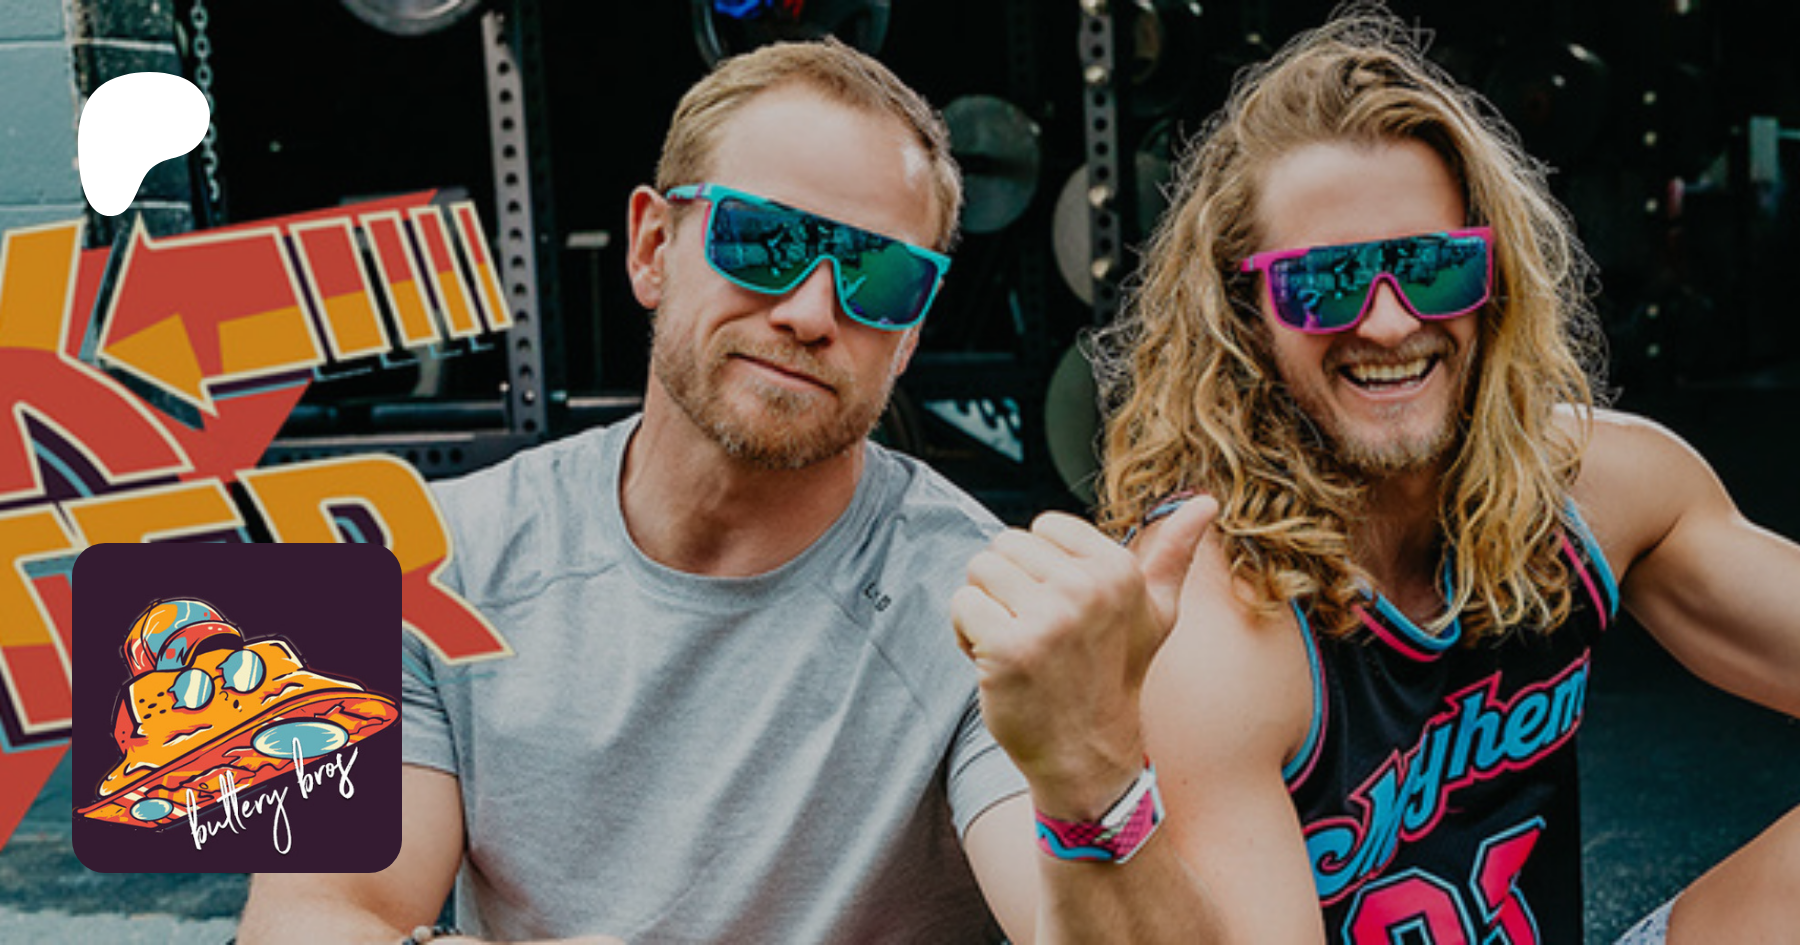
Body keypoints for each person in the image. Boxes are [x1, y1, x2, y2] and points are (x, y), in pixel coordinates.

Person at [237, 38, 1216, 945]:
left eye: (880, 277)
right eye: (762, 240)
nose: (811, 311)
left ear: (911, 334)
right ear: (652, 247)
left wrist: (1094, 774)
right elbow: (306, 914)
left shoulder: (976, 611)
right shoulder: (409, 557)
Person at [1068, 9, 1800, 944]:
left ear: (1494, 278)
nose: (1388, 322)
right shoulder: (1221, 624)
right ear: (1247, 312)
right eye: (1326, 282)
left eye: (1432, 267)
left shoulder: (1603, 492)